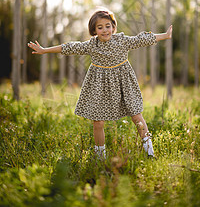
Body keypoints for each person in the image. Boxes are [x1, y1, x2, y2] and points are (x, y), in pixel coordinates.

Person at [28, 9, 172, 159]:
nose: (105, 30)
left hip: (124, 83)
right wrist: (44, 50)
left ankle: (150, 152)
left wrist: (165, 35)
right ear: (94, 30)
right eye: (100, 27)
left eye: (108, 26)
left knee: (136, 116)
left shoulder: (121, 40)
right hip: (99, 86)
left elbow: (140, 39)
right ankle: (100, 158)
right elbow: (69, 47)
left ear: (113, 27)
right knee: (98, 122)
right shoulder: (92, 45)